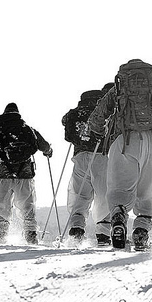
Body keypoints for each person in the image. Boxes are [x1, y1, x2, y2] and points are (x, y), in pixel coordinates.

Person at [87, 59, 152, 250]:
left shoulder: (118, 90)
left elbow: (99, 114)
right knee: (148, 190)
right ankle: (141, 230)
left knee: (120, 187)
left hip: (124, 140)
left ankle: (119, 217)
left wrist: (98, 131)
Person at [0, 103, 52, 244]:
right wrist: (49, 152)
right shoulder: (28, 129)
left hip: (3, 175)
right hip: (25, 175)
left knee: (2, 208)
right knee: (27, 207)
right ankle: (31, 235)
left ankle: (1, 236)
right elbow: (45, 146)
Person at [62, 89, 111, 246]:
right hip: (101, 156)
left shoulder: (74, 113)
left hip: (80, 156)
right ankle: (103, 233)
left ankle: (77, 228)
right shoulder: (104, 111)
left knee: (80, 194)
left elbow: (66, 128)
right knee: (103, 195)